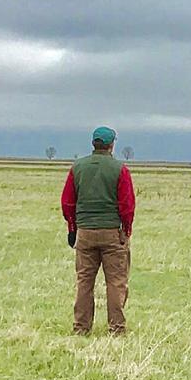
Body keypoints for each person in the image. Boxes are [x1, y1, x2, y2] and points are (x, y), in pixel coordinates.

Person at [60, 126, 135, 335]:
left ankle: (81, 327)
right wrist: (126, 230)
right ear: (112, 145)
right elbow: (127, 205)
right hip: (112, 233)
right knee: (116, 282)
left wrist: (73, 228)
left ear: (93, 143)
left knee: (84, 282)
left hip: (85, 232)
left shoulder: (78, 168)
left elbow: (67, 202)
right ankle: (116, 328)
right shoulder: (120, 169)